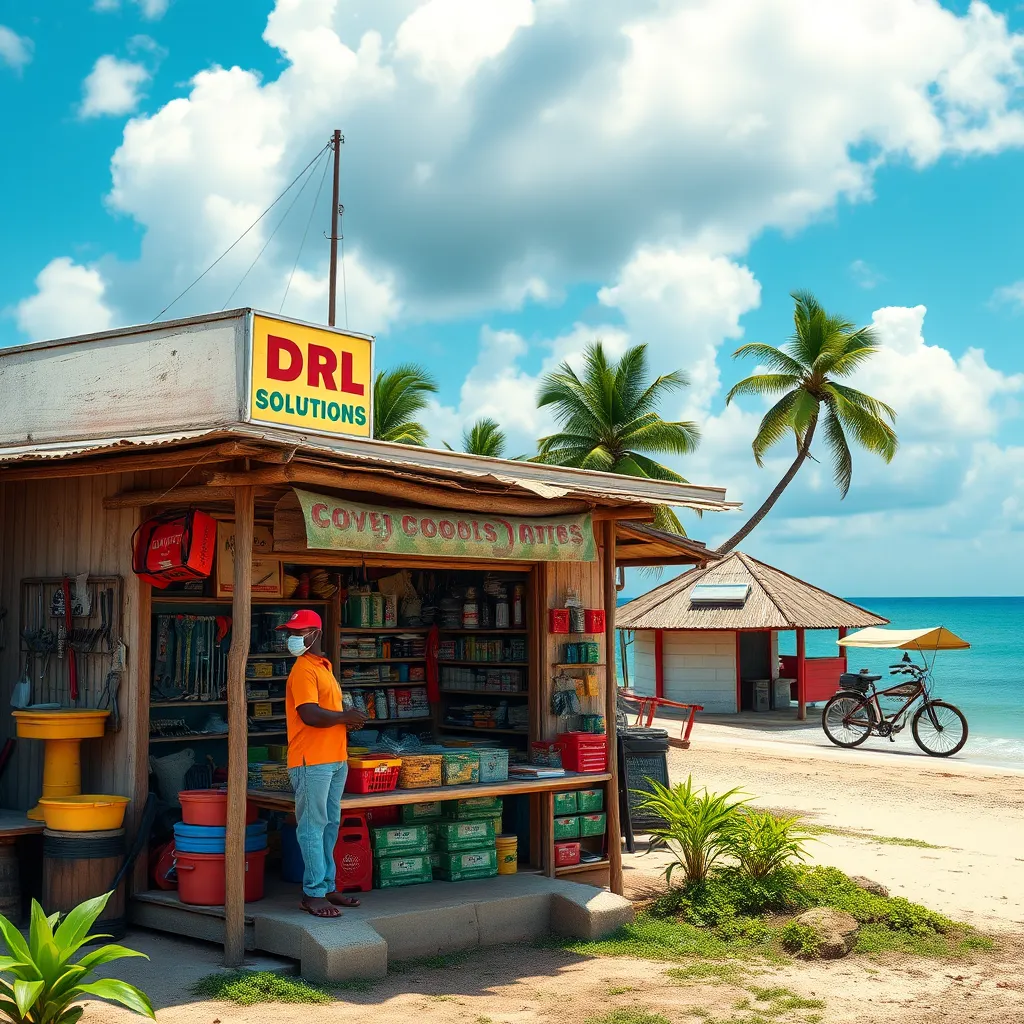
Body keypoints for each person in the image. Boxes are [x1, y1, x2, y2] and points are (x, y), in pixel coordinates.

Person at [277, 609, 366, 918]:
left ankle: (326, 886)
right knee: (314, 826)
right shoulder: (302, 669)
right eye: (292, 632)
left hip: (333, 758)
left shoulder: (322, 667)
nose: (293, 638)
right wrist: (345, 717)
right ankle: (313, 894)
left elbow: (327, 711)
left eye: (299, 632)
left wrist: (349, 719)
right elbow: (309, 714)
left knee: (328, 825)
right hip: (311, 760)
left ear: (315, 633)